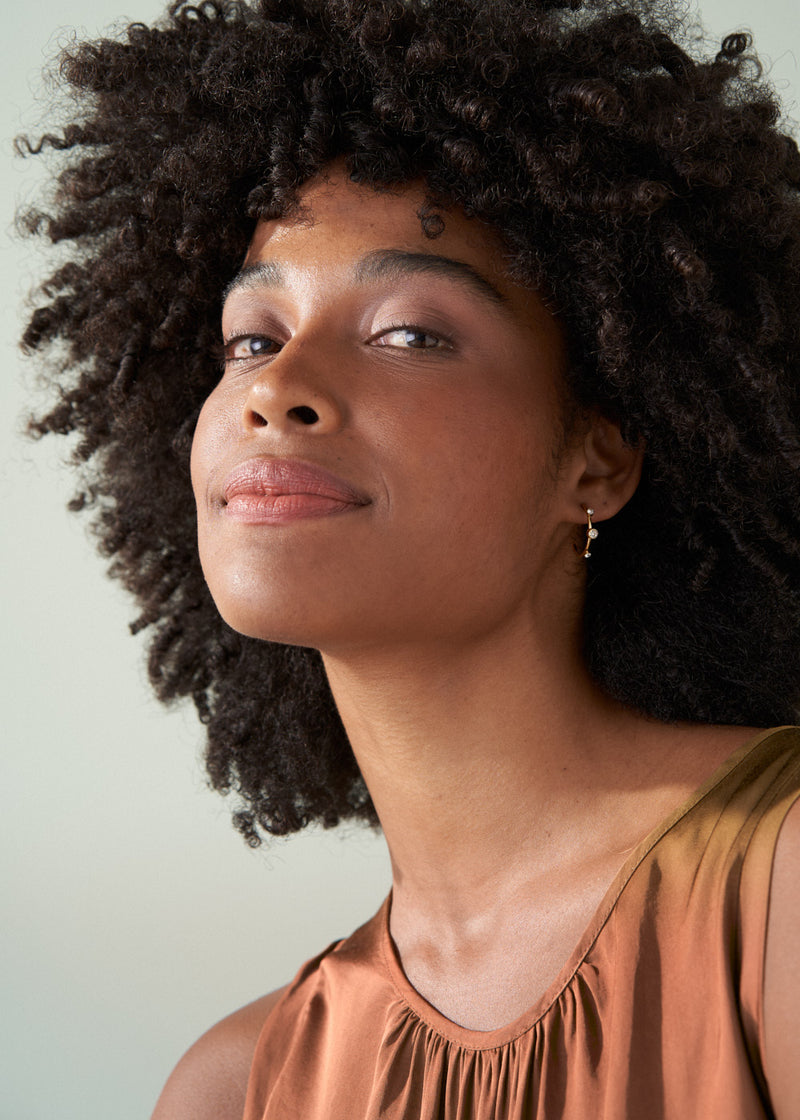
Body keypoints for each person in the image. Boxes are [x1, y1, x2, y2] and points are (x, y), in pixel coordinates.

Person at [19, 0, 800, 1115]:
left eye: (410, 332)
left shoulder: (772, 898)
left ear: (598, 460)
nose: (273, 387)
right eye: (252, 336)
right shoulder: (236, 1087)